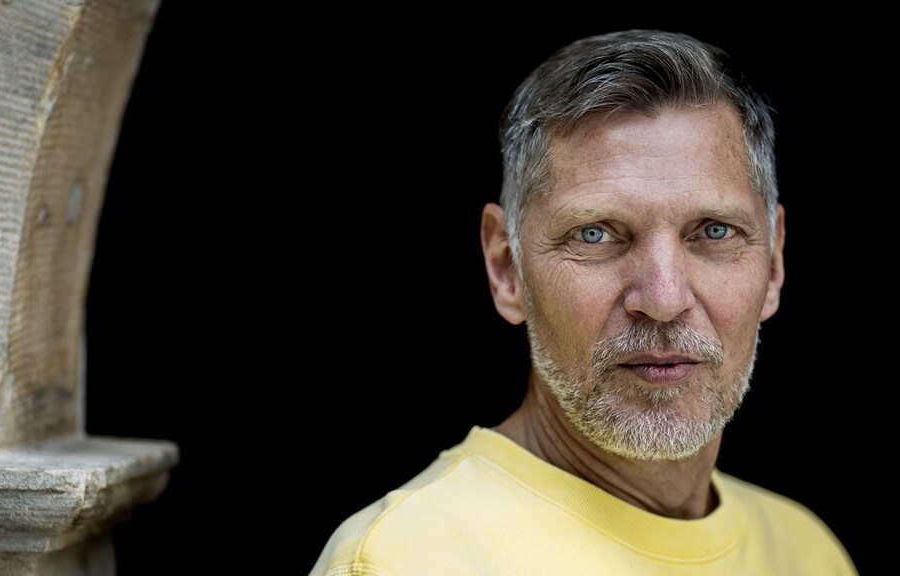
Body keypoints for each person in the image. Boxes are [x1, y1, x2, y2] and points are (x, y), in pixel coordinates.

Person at [307, 29, 858, 575]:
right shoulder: (399, 558)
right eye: (594, 235)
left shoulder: (807, 553)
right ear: (506, 269)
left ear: (774, 263)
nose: (663, 299)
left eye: (714, 231)